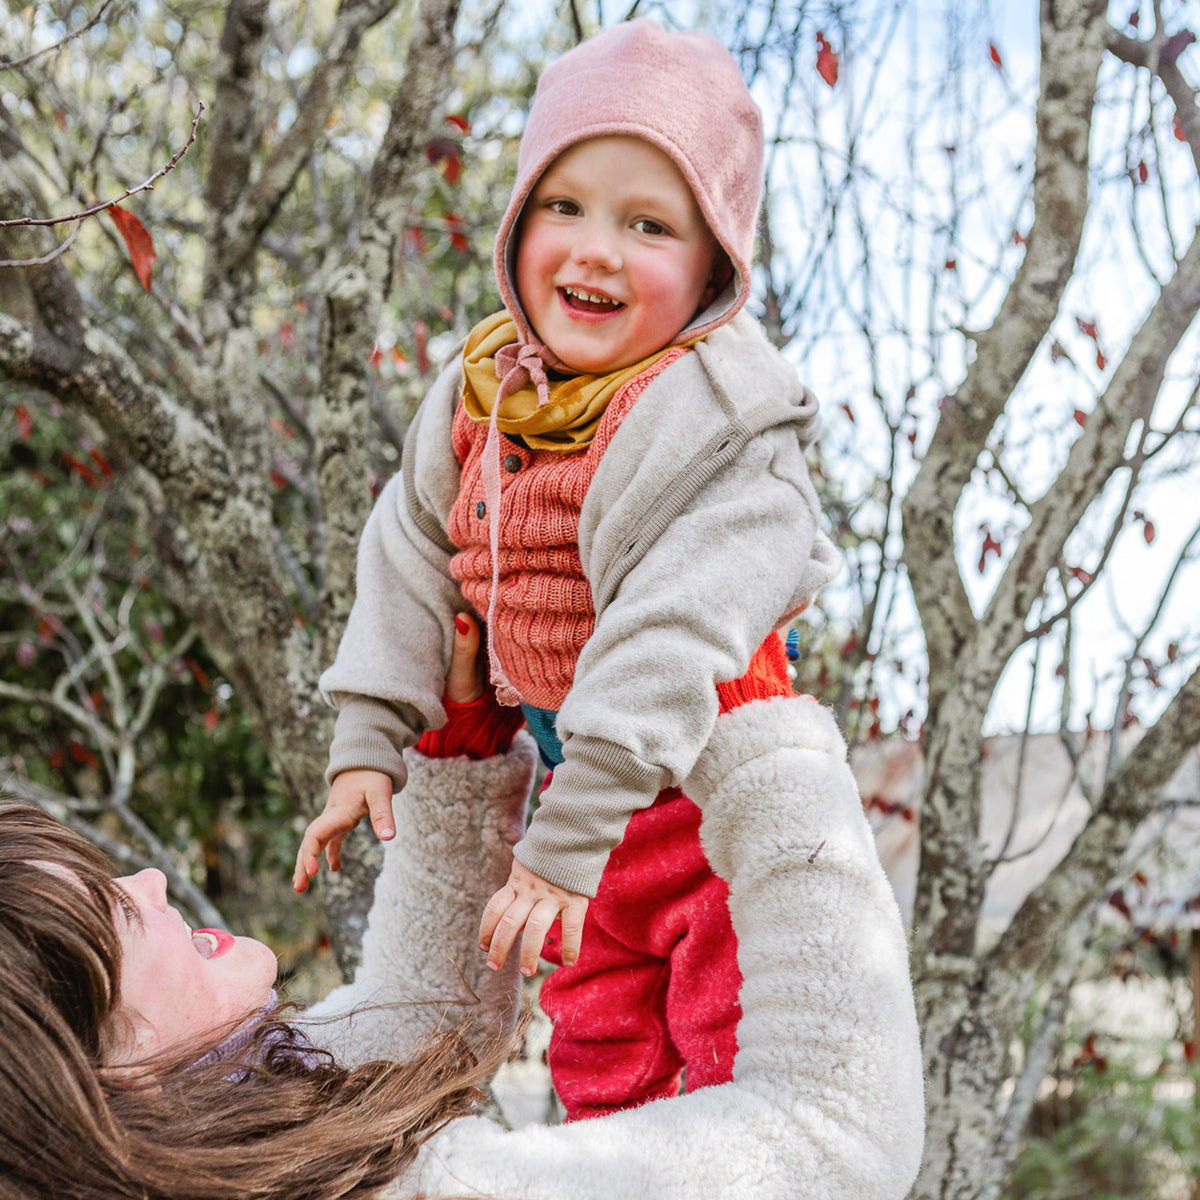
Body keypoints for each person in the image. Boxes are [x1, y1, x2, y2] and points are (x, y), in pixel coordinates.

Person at [295, 17, 842, 1119]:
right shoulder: (480, 391)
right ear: (516, 224)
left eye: (648, 225)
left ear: (711, 274)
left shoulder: (722, 421)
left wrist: (569, 838)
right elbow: (408, 552)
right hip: (569, 787)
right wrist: (370, 736)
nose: (595, 248)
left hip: (703, 794)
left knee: (730, 1046)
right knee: (595, 1041)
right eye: (566, 205)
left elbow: (673, 630)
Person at [0, 617, 924, 1199]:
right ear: (99, 1083)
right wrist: (757, 738)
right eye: (118, 917)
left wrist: (454, 762)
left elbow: (415, 1012)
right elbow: (834, 1142)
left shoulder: (232, 1123)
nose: (151, 883)